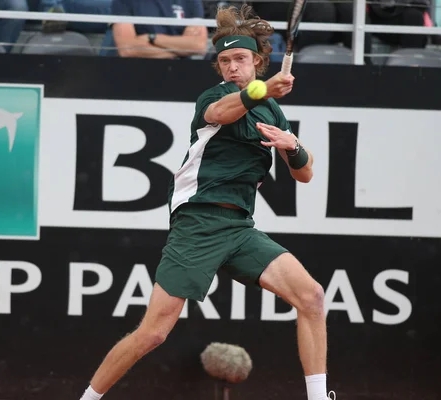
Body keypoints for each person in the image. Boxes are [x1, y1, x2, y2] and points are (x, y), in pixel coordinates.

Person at [78, 4, 334, 400]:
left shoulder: (271, 109)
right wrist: (262, 88)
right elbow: (223, 112)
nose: (232, 67)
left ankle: (319, 398)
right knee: (154, 332)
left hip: (240, 229)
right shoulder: (214, 98)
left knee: (312, 296)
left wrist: (294, 144)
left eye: (241, 60)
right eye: (225, 61)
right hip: (197, 222)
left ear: (258, 61)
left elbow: (305, 173)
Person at [100, 0, 207, 58]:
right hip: (139, 72)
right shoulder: (125, 2)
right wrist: (180, 50)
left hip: (181, 74)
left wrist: (151, 38)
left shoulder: (191, 2)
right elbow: (127, 49)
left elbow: (198, 46)